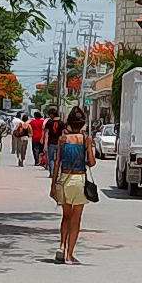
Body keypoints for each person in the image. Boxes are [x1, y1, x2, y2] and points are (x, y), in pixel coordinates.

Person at [50, 106, 95, 264]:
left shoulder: (62, 140)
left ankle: (62, 246)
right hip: (79, 180)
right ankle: (70, 255)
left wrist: (53, 185)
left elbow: (56, 163)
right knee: (76, 219)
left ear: (69, 122)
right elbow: (91, 162)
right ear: (82, 124)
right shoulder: (85, 139)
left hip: (64, 180)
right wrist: (88, 146)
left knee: (65, 217)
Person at [43, 106, 65, 175]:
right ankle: (58, 172)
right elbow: (63, 134)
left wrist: (45, 144)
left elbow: (46, 134)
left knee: (51, 158)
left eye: (50, 115)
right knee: (59, 159)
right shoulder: (62, 123)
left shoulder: (49, 123)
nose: (49, 116)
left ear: (52, 115)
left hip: (51, 143)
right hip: (59, 143)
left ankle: (52, 172)